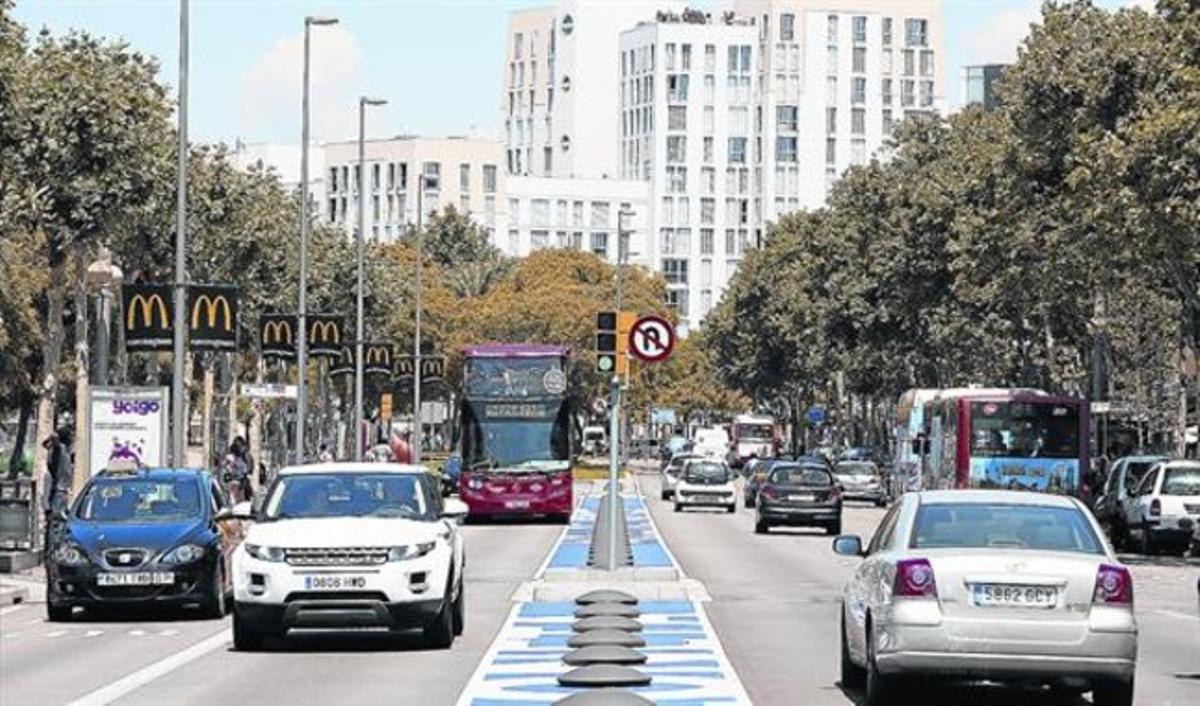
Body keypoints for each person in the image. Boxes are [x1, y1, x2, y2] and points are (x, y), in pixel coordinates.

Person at [40, 424, 73, 556]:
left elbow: (45, 444)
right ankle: (53, 552)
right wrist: (55, 435)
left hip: (61, 491)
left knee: (58, 522)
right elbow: (48, 442)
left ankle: (52, 550)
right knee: (57, 523)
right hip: (59, 490)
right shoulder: (60, 450)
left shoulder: (61, 451)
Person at [222, 438, 251, 503]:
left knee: (233, 498)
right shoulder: (240, 460)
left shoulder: (229, 458)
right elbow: (245, 470)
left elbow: (224, 469)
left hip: (232, 481)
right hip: (237, 481)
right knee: (238, 499)